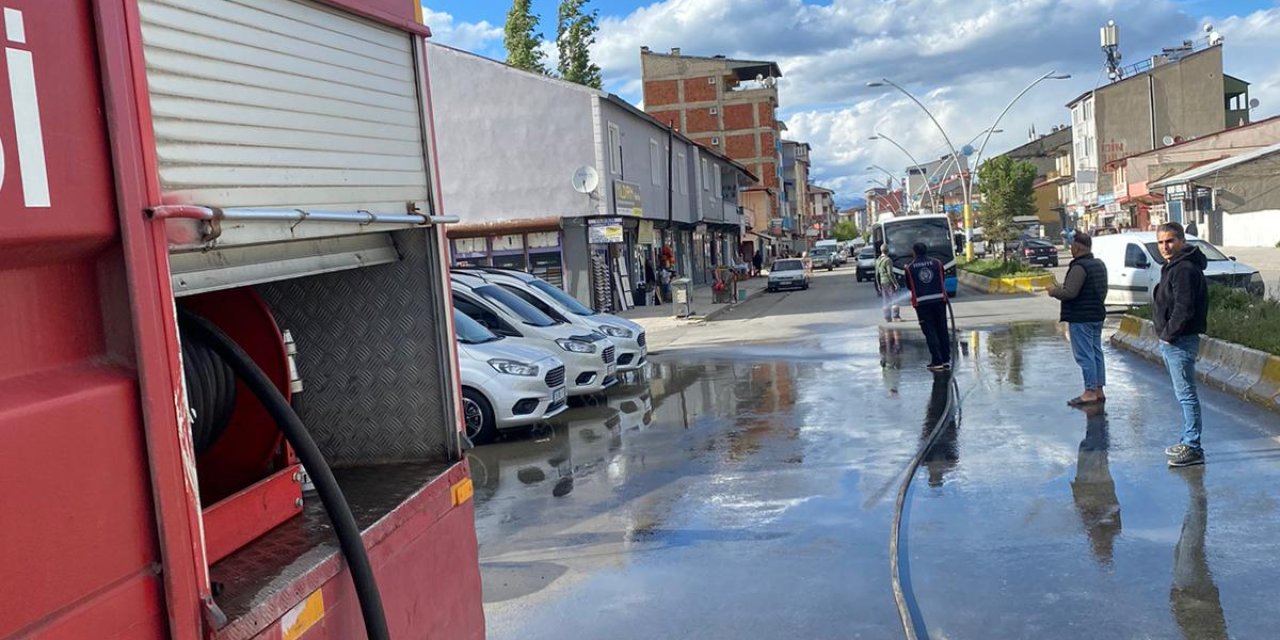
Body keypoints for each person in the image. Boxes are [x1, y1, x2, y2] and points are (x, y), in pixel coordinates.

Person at [1152, 221, 1209, 468]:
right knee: (1183, 394)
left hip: (1180, 340)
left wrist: (1168, 335)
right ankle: (1188, 440)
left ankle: (1193, 447)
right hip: (1174, 339)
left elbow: (1184, 308)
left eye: (1170, 241)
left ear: (1182, 242)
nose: (1165, 246)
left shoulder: (1183, 268)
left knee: (1186, 395)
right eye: (1161, 242)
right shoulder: (1172, 266)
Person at [1047, 231, 1108, 406]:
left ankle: (1089, 391)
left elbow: (1070, 293)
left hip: (1081, 317)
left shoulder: (1079, 267)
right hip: (1097, 314)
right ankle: (1098, 389)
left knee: (1084, 355)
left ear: (1078, 247)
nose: (1070, 248)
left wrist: (1053, 291)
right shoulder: (1098, 264)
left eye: (1072, 245)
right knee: (1096, 352)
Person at [904, 242, 951, 371]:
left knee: (930, 332)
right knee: (942, 329)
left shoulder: (910, 268)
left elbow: (909, 286)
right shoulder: (937, 263)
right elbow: (942, 278)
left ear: (914, 252)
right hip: (940, 301)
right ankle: (946, 359)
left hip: (922, 304)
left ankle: (937, 361)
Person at [874, 244, 901, 322]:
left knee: (886, 300)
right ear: (888, 251)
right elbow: (890, 273)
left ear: (881, 251)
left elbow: (876, 274)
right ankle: (896, 316)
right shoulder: (888, 260)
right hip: (889, 282)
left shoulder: (878, 260)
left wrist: (878, 284)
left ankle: (887, 317)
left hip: (882, 282)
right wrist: (895, 283)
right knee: (895, 299)